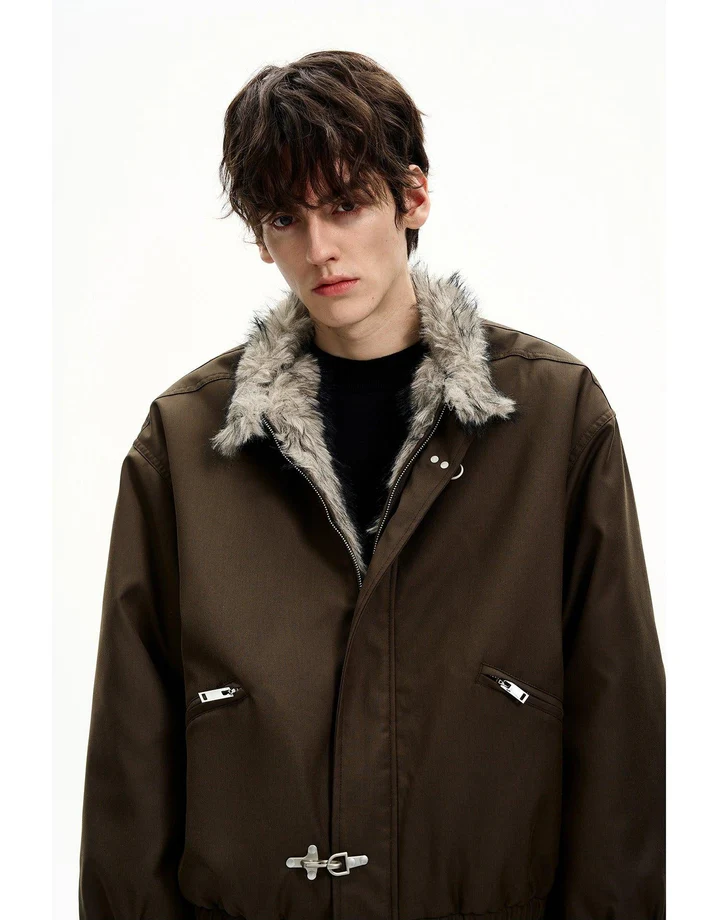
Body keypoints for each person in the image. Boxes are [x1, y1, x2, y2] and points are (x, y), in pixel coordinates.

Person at [78, 50, 666, 920]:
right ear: (261, 236)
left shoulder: (553, 418)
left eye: (346, 205)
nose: (319, 250)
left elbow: (620, 733)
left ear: (412, 197)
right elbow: (131, 757)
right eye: (285, 218)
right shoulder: (187, 442)